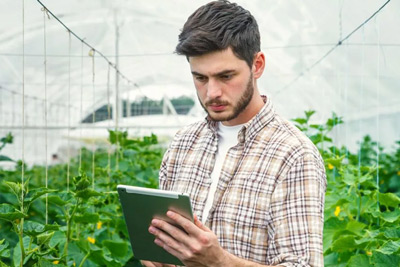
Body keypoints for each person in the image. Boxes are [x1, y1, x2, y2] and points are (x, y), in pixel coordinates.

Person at [142, 1, 326, 266]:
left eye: (226, 76)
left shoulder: (294, 154)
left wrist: (220, 262)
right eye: (200, 78)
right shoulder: (183, 144)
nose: (212, 93)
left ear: (257, 65)